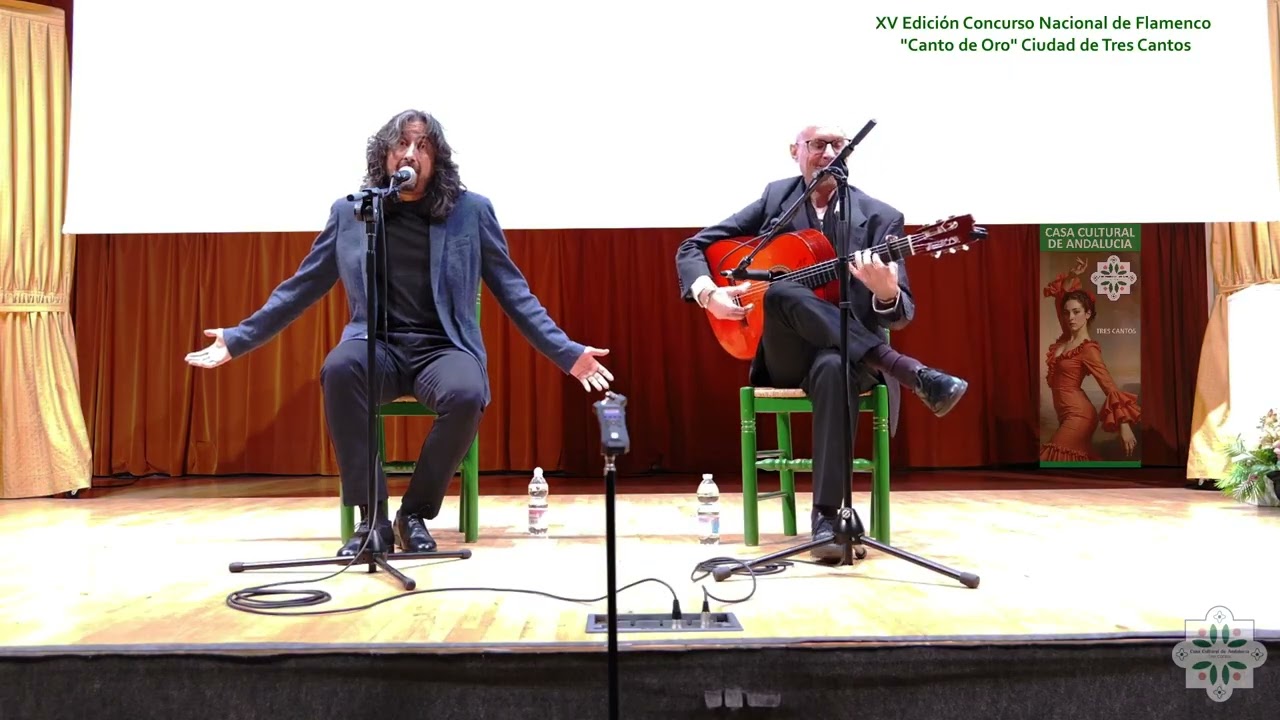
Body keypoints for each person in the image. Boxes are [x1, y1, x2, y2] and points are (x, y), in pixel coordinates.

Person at [185, 109, 614, 556]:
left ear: (437, 157)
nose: (410, 153)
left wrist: (567, 352)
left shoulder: (471, 211)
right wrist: (239, 337)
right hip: (377, 348)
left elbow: (514, 291)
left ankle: (413, 514)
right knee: (340, 370)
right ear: (385, 155)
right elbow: (301, 286)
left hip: (443, 348)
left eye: (423, 146)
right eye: (401, 145)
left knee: (467, 393)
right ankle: (372, 519)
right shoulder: (352, 212)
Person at [674, 124, 968, 562]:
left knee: (833, 365)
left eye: (837, 144)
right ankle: (908, 371)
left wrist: (885, 292)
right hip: (785, 355)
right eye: (817, 144)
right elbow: (694, 247)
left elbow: (901, 310)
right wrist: (708, 293)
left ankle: (828, 521)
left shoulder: (879, 216)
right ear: (796, 151)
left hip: (846, 358)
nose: (828, 152)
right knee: (782, 291)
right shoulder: (777, 199)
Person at [1040, 258, 1140, 461]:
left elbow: (1108, 385)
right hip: (1065, 414)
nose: (1071, 318)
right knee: (1073, 463)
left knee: (1053, 458)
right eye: (1067, 313)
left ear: (1087, 314)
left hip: (1080, 415)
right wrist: (1073, 275)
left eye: (1076, 312)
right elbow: (1062, 296)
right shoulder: (1065, 337)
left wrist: (1124, 424)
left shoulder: (1088, 349)